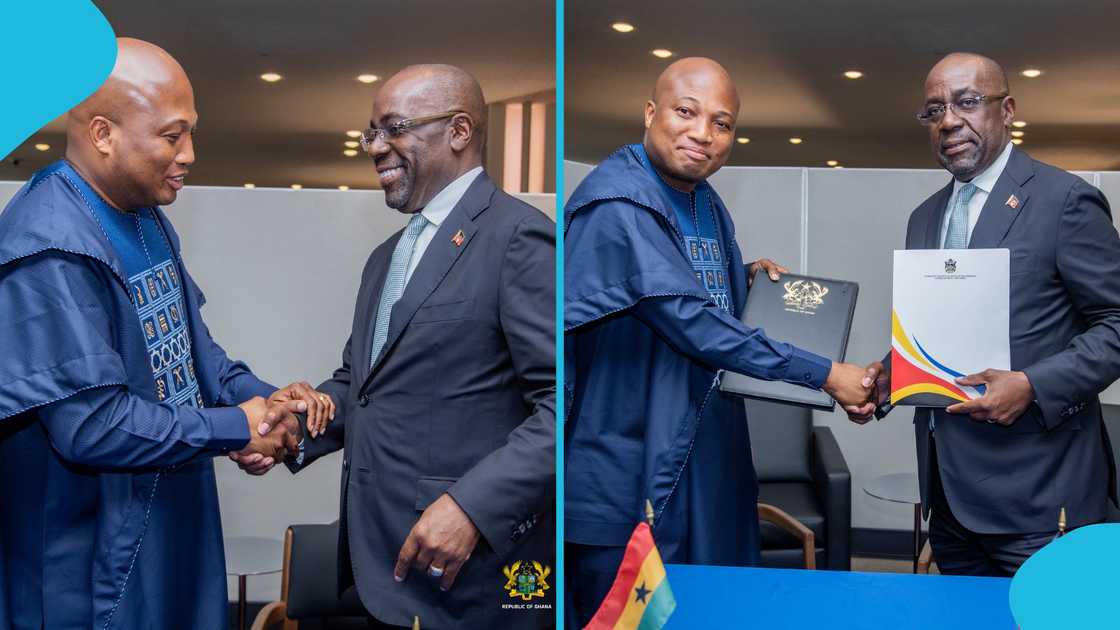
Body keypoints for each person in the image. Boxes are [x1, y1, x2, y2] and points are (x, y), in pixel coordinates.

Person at [0, 38, 333, 628]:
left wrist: (266, 401)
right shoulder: (50, 246)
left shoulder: (141, 214)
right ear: (103, 134)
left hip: (167, 517)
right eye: (171, 135)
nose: (189, 154)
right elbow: (91, 428)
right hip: (92, 562)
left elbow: (191, 353)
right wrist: (238, 426)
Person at [239, 64, 556, 629]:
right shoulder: (386, 256)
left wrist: (470, 509)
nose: (376, 147)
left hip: (472, 575)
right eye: (371, 133)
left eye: (394, 129)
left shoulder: (518, 238)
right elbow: (362, 386)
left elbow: (565, 405)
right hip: (377, 565)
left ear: (459, 131)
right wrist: (293, 430)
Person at [563, 57, 872, 626]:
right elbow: (688, 319)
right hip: (630, 468)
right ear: (651, 112)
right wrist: (828, 373)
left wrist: (743, 277)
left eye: (722, 122)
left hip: (706, 460)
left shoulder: (704, 201)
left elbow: (693, 293)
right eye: (686, 112)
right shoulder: (616, 202)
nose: (703, 134)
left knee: (716, 609)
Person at [846, 52, 1120, 576]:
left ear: (1008, 108)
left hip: (1041, 499)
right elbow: (938, 332)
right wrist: (888, 377)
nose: (949, 121)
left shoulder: (1064, 201)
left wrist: (1033, 385)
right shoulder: (924, 217)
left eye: (967, 102)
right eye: (934, 111)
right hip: (949, 501)